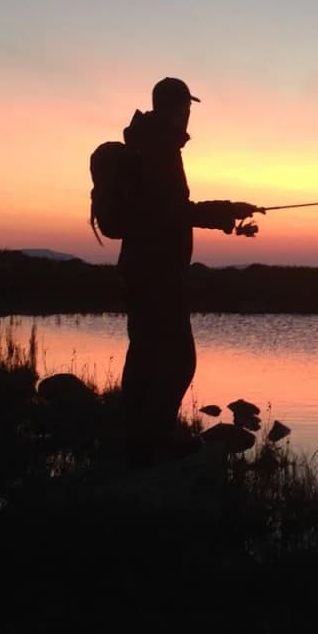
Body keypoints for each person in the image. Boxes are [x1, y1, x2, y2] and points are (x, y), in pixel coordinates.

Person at [118, 77, 260, 467]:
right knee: (179, 359)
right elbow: (175, 212)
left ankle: (136, 438)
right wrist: (223, 212)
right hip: (158, 269)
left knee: (145, 353)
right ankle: (155, 441)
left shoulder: (147, 142)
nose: (189, 115)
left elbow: (171, 209)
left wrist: (227, 209)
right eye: (188, 108)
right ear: (179, 108)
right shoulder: (160, 147)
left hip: (142, 267)